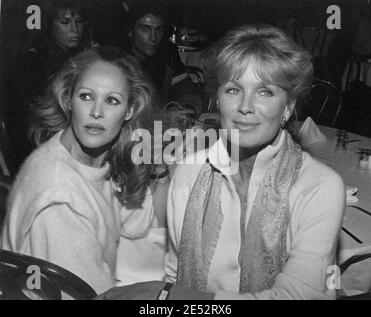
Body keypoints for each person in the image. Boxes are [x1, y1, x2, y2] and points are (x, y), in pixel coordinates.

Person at [97, 24, 345, 300]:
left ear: (287, 107)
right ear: (217, 99)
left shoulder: (320, 187)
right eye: (233, 90)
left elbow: (300, 296)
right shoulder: (188, 171)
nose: (245, 106)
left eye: (265, 92)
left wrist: (173, 297)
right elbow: (175, 273)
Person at [0, 46, 162, 296]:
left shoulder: (90, 158)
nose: (96, 112)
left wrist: (150, 165)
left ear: (129, 111)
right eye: (86, 96)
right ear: (68, 100)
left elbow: (133, 226)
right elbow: (96, 295)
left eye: (112, 100)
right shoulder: (59, 199)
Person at [7, 0, 96, 172]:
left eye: (79, 22)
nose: (74, 29)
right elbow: (26, 124)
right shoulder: (32, 62)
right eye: (65, 22)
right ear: (49, 25)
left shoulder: (84, 58)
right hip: (39, 148)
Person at [126, 1, 197, 108]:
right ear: (131, 32)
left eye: (158, 30)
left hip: (158, 123)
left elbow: (186, 91)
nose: (153, 38)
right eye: (145, 29)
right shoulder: (118, 61)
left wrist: (187, 109)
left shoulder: (168, 55)